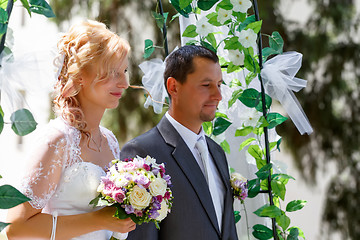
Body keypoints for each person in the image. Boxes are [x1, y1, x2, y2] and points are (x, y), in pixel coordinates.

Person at [5, 20, 136, 240]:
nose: (123, 83)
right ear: (80, 75)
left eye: (124, 71)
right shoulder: (58, 139)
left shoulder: (110, 141)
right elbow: (15, 227)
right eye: (112, 72)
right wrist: (100, 220)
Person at [120, 45, 238, 240]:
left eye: (219, 84)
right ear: (173, 87)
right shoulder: (143, 153)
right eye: (206, 85)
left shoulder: (216, 152)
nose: (218, 96)